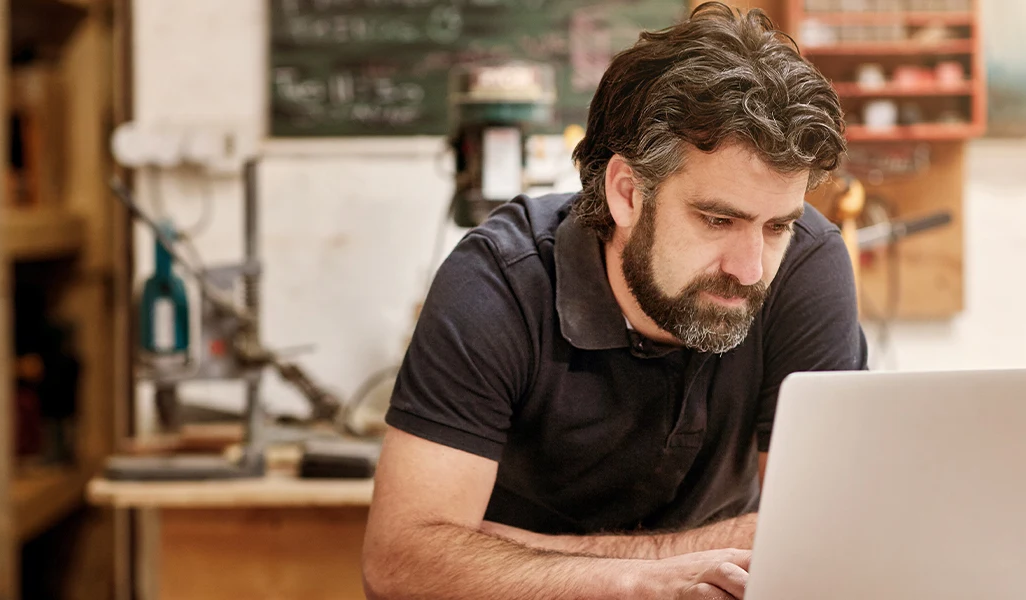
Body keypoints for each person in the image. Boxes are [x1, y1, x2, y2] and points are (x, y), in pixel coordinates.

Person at [362, 3, 866, 598]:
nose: (750, 268)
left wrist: (512, 550)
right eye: (716, 219)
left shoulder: (806, 263)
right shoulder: (499, 281)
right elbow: (400, 562)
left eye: (777, 226)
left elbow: (832, 533)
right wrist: (639, 579)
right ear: (628, 193)